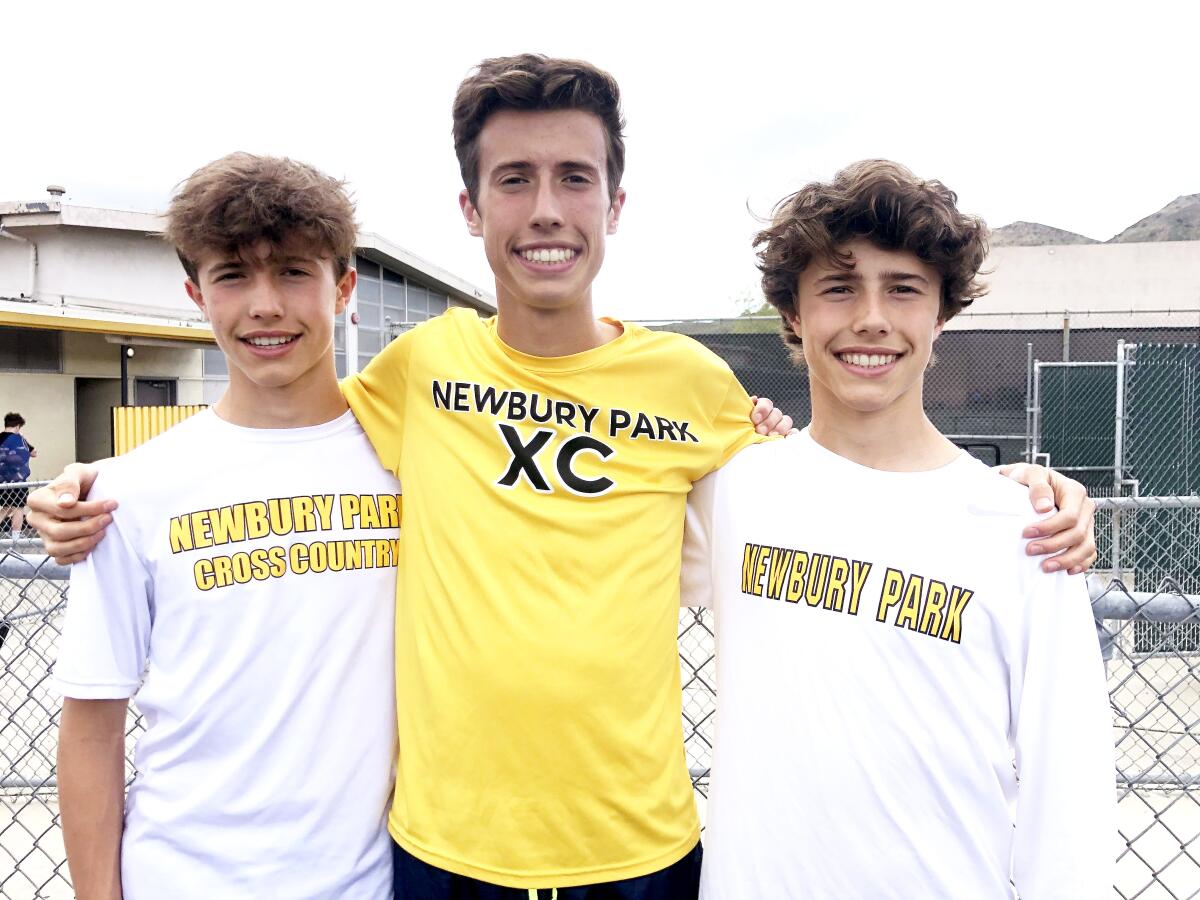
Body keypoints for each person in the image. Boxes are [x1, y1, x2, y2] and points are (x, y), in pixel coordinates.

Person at [32, 57, 1097, 900]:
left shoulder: (694, 387)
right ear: (470, 207)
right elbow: (279, 421)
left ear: (615, 204)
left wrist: (1032, 493)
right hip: (442, 855)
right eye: (515, 180)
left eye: (574, 178)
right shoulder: (419, 369)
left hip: (640, 855)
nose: (546, 209)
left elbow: (831, 470)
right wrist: (89, 484)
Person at [683, 160, 1115, 899]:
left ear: (941, 313)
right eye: (839, 287)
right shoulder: (731, 492)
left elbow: (1066, 796)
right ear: (792, 313)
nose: (872, 318)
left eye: (904, 289)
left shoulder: (1023, 527)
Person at [51, 154, 400, 899]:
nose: (265, 305)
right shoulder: (127, 492)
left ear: (344, 288)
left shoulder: (413, 464)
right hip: (180, 878)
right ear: (195, 293)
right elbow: (90, 725)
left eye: (295, 273)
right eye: (233, 275)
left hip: (371, 882)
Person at [1, 412, 37, 536]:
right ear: (17, 426)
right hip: (18, 480)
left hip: (2, 481)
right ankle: (16, 536)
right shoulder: (20, 440)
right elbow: (34, 453)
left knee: (6, 507)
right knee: (18, 507)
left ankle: (14, 534)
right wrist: (22, 438)